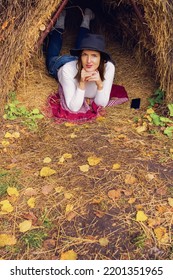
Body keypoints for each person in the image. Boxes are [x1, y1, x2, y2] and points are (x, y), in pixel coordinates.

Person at [45, 8, 115, 113]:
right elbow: (73, 108)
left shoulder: (108, 67)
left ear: (102, 58)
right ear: (80, 56)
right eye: (85, 55)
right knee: (52, 55)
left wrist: (100, 84)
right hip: (62, 64)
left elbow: (101, 104)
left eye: (94, 55)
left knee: (84, 46)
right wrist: (82, 84)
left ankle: (86, 18)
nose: (89, 60)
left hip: (78, 61)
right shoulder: (67, 70)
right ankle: (59, 23)